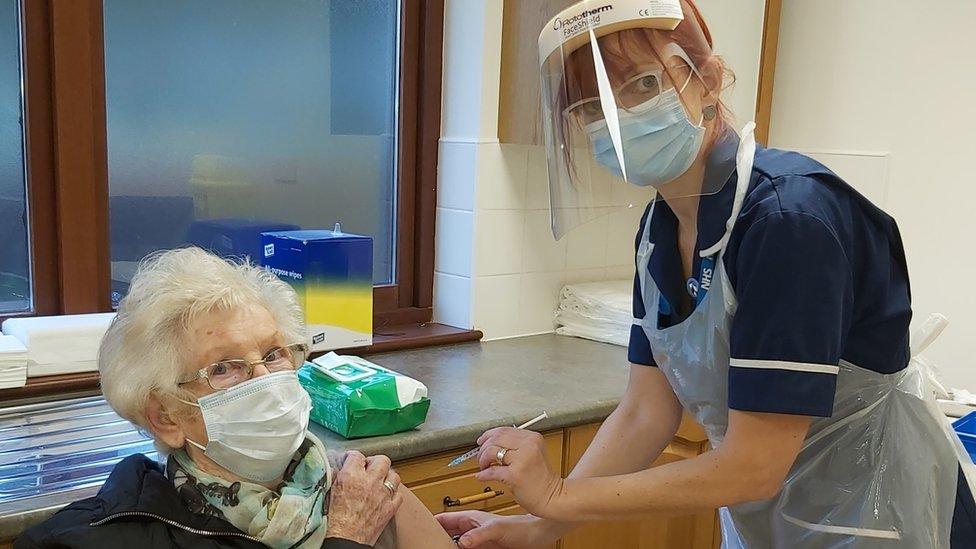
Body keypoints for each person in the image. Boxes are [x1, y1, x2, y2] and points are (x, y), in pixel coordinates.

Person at [438, 0, 976, 547]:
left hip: (881, 515)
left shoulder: (788, 220)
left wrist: (556, 496)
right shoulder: (658, 231)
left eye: (643, 85)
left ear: (710, 81)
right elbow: (646, 412)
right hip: (774, 519)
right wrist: (538, 529)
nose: (617, 119)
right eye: (591, 107)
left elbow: (753, 465)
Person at [16, 247, 456, 549]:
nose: (265, 381)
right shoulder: (114, 536)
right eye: (223, 368)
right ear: (167, 417)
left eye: (272, 354)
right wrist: (346, 539)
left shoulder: (357, 490)